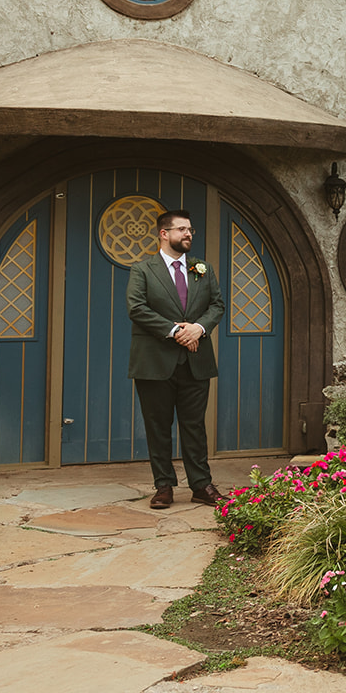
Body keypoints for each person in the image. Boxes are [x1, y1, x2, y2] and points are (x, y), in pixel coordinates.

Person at [128, 209, 225, 510]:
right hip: (154, 362)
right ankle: (164, 486)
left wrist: (198, 328)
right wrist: (174, 331)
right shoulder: (142, 270)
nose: (188, 234)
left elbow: (217, 305)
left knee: (194, 426)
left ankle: (201, 485)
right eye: (182, 229)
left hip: (196, 362)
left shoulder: (203, 268)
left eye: (190, 230)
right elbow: (137, 308)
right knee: (158, 426)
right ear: (164, 234)